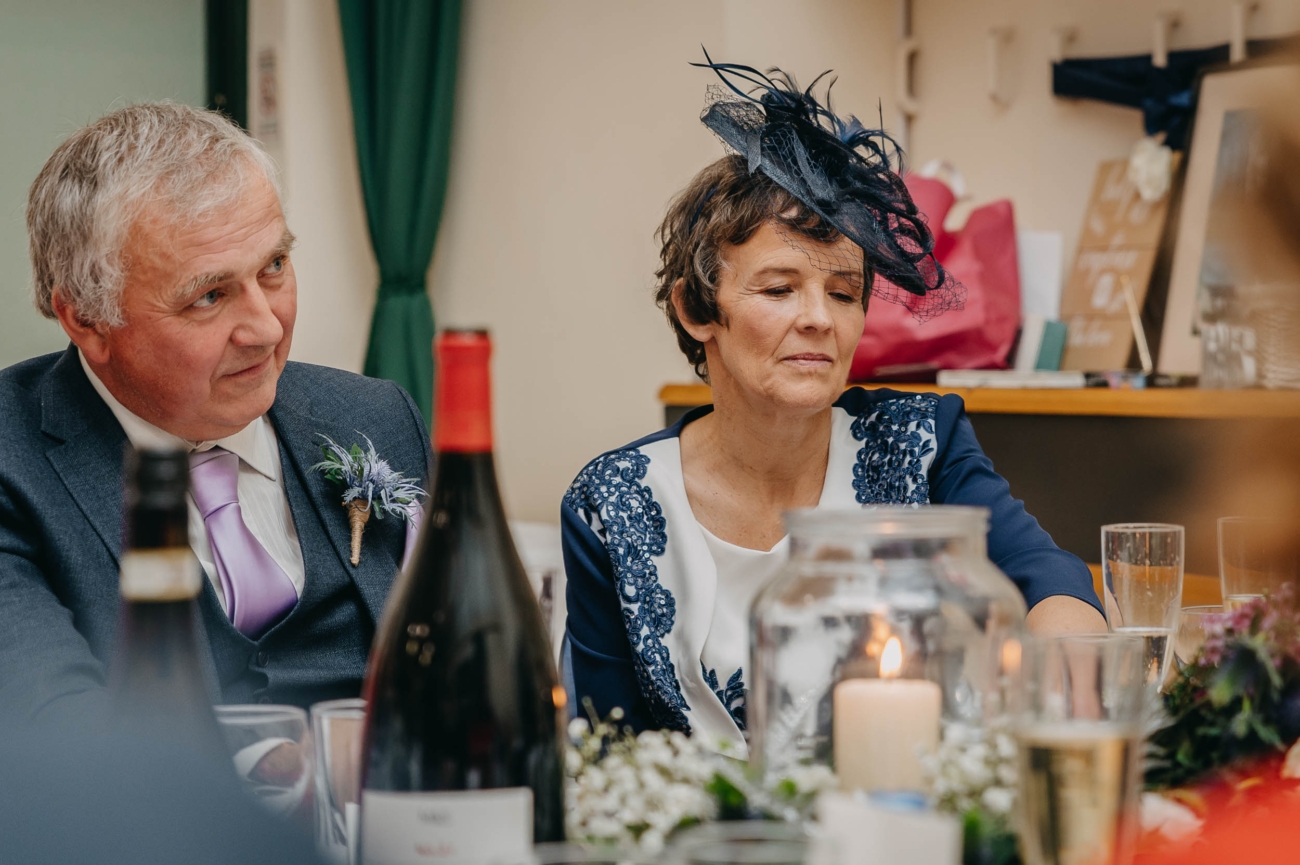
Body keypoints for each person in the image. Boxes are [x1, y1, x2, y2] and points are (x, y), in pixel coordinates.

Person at [562, 59, 1106, 743]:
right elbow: (607, 748)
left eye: (844, 293)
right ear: (697, 310)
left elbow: (1045, 575)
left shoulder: (919, 441)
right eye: (779, 289)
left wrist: (1071, 657)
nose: (820, 319)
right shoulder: (612, 503)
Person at [0, 103, 431, 724]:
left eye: (274, 267)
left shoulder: (375, 417)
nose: (266, 329)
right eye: (209, 296)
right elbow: (58, 736)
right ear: (87, 320)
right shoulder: (12, 460)